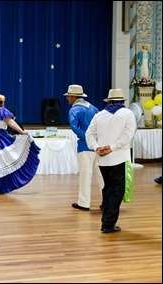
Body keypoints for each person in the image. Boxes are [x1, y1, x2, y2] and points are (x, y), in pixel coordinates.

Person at [86, 89, 137, 233]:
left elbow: (89, 134)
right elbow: (128, 135)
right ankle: (108, 224)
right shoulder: (127, 114)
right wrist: (112, 147)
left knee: (108, 188)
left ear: (108, 101)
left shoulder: (99, 115)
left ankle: (105, 221)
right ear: (122, 101)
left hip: (102, 160)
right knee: (117, 191)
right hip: (119, 157)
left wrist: (97, 147)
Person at [63, 84, 104, 211]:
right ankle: (107, 201)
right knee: (101, 175)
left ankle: (84, 203)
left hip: (84, 147)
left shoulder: (74, 110)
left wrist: (87, 138)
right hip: (98, 146)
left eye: (68, 96)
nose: (67, 99)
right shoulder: (94, 108)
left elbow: (75, 127)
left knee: (85, 176)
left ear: (74, 96)